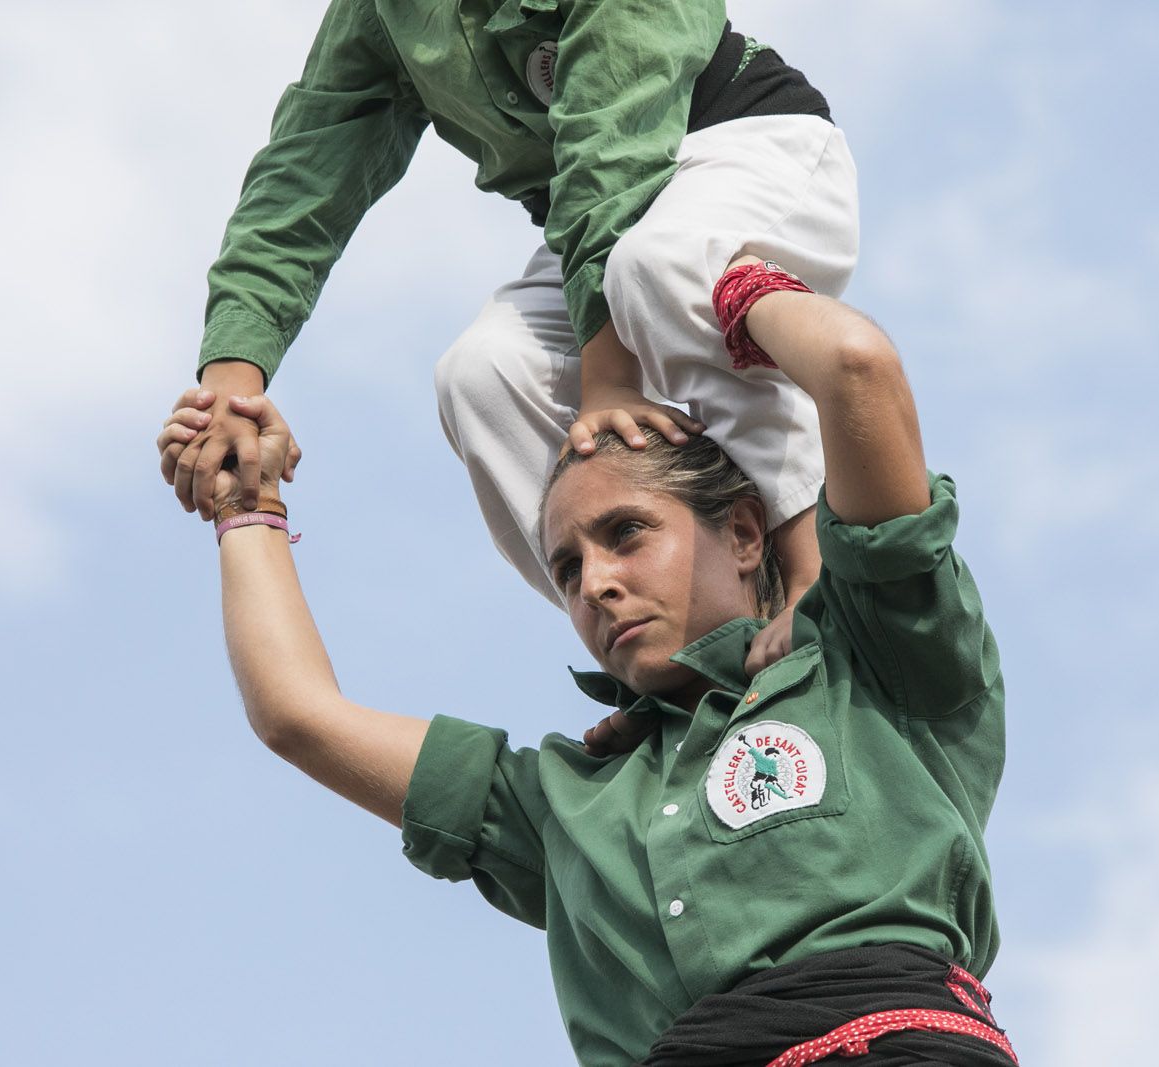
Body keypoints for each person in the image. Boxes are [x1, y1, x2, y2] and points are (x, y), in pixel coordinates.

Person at [157, 260, 1014, 1065]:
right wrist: (246, 504)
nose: (596, 584)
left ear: (746, 534)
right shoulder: (565, 804)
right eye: (566, 568)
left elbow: (857, 367)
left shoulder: (873, 665)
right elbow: (296, 712)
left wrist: (706, 281)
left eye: (627, 533)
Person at [159, 0, 860, 668]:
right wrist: (231, 388)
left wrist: (608, 376)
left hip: (743, 146)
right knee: (479, 373)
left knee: (657, 268)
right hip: (598, 228)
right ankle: (665, 664)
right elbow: (306, 170)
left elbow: (611, 146)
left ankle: (809, 569)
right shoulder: (382, 13)